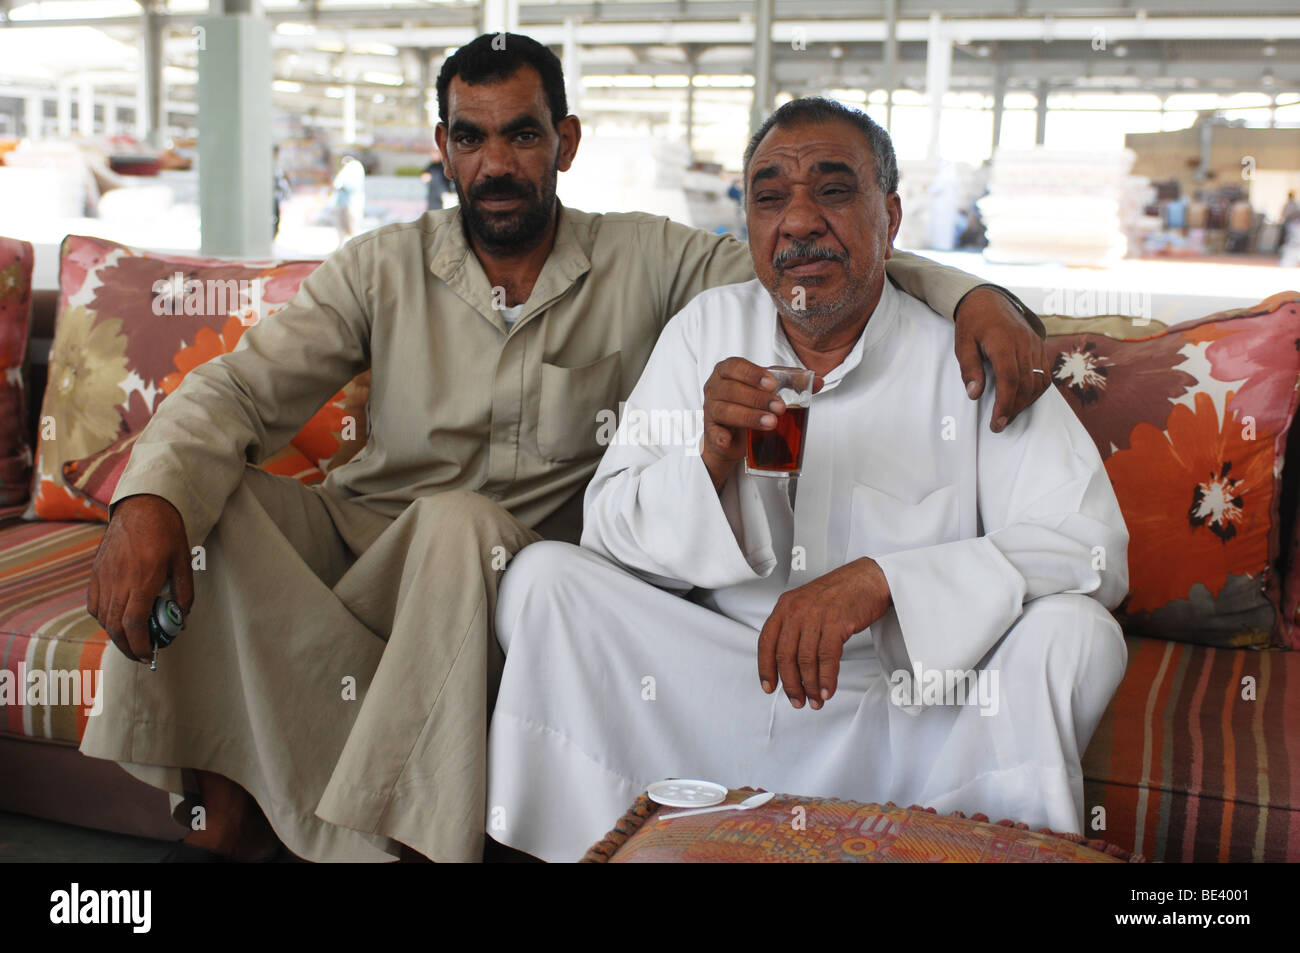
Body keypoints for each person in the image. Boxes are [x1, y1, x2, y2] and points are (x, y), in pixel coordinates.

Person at [81, 34, 1051, 864]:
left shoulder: (648, 257)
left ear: (565, 143)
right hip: (373, 542)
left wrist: (970, 296)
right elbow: (240, 390)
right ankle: (223, 798)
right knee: (209, 503)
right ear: (442, 150)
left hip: (502, 564)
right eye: (471, 137)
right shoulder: (380, 265)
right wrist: (146, 501)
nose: (495, 161)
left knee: (462, 527)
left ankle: (409, 840)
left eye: (521, 133)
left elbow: (808, 248)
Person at [486, 97, 1130, 862]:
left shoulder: (967, 354)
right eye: (769, 198)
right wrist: (710, 462)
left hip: (915, 706)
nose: (797, 222)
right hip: (724, 678)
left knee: (1076, 632)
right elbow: (609, 532)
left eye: (831, 191)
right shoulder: (705, 331)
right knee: (543, 578)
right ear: (750, 226)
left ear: (889, 217)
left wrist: (887, 580)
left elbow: (1093, 552)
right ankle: (612, 844)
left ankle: (965, 847)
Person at [332, 153, 366, 243]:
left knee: (353, 227)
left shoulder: (354, 167)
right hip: (344, 202)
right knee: (343, 227)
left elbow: (343, 185)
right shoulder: (350, 168)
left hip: (351, 203)